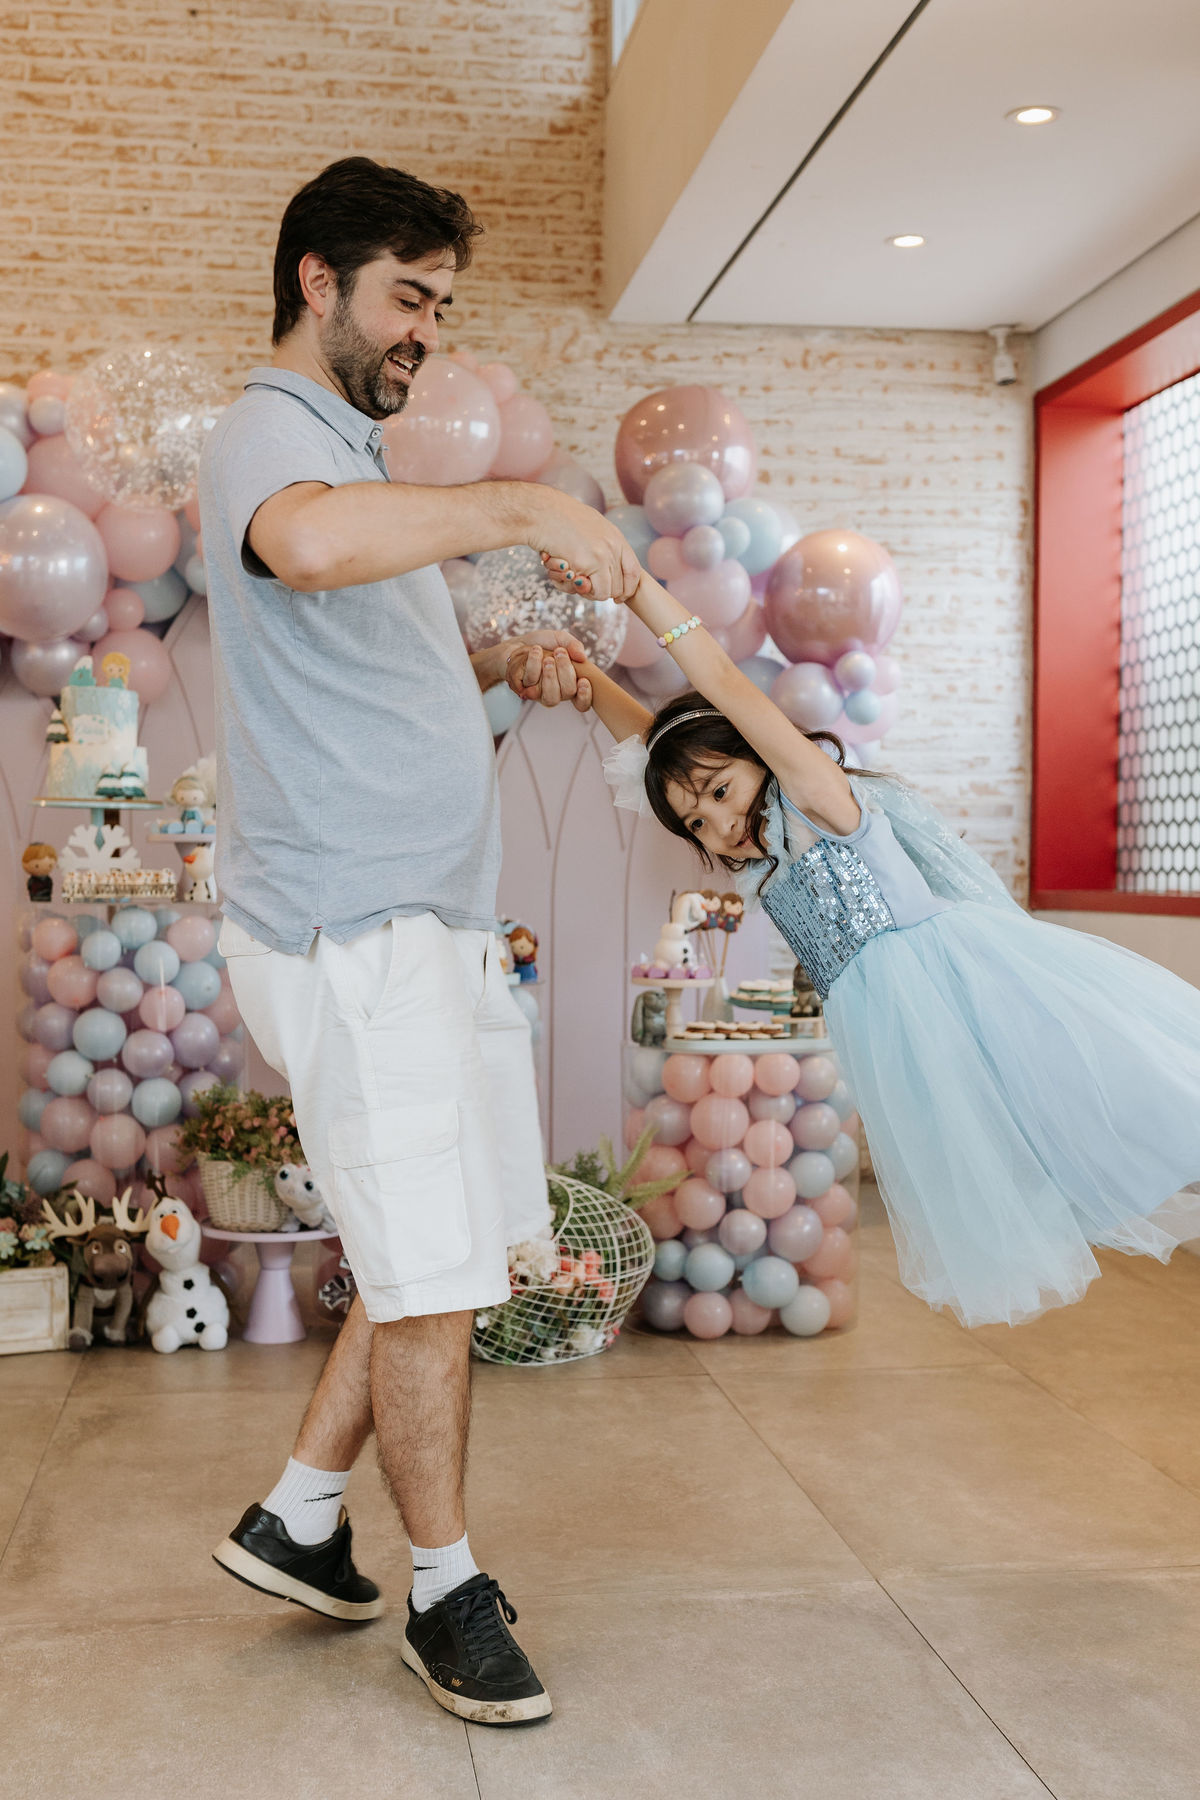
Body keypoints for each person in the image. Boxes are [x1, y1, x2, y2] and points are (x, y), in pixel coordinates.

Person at [199, 156, 638, 1728]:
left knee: (438, 1242)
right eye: (406, 297)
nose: (426, 334)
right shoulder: (271, 433)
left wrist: (496, 662)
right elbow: (306, 553)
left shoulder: (348, 455)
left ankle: (300, 1518)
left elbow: (361, 641)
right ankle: (445, 1589)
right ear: (316, 281)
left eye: (442, 307)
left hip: (422, 924)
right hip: (354, 926)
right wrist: (525, 503)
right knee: (433, 1263)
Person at [548, 553, 1200, 1331]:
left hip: (952, 987)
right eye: (698, 821)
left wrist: (636, 592)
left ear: (761, 752)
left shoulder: (816, 796)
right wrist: (591, 683)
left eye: (723, 792)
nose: (719, 824)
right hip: (896, 1029)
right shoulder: (762, 853)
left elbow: (721, 684)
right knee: (1003, 1152)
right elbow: (659, 754)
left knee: (1078, 1100)